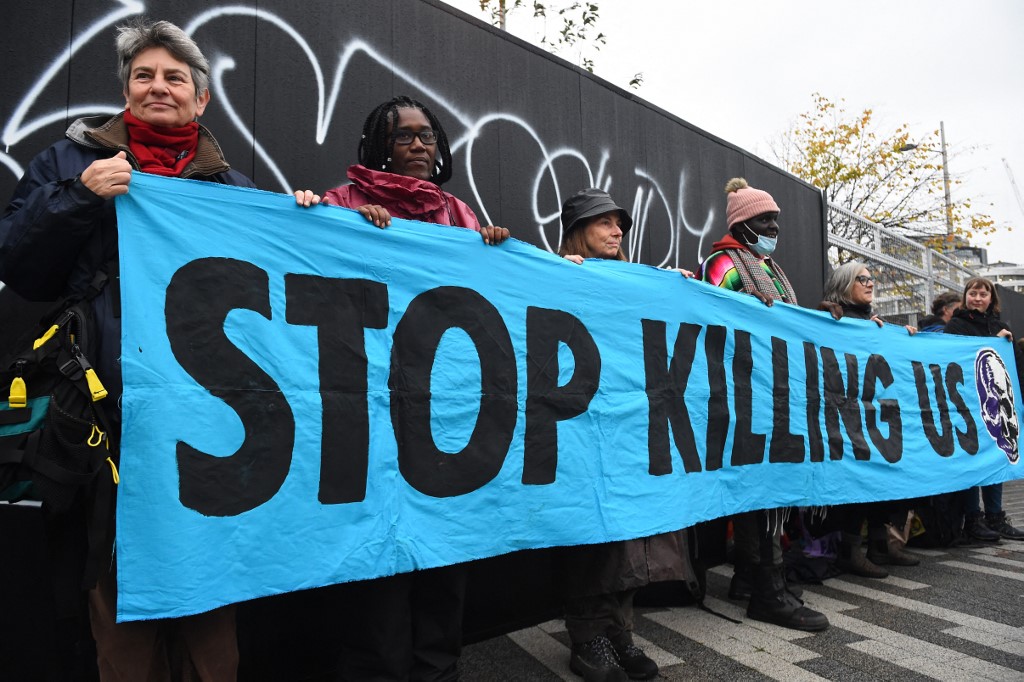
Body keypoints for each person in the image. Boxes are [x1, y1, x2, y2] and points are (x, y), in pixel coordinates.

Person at [0, 19, 254, 681]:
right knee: (120, 621)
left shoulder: (236, 192)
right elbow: (20, 265)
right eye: (144, 75)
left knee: (210, 622)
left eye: (175, 77)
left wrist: (305, 214)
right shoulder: (71, 164)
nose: (158, 87)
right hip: (106, 429)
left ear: (201, 99)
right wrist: (79, 199)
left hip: (207, 432)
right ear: (126, 90)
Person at [296, 95, 508, 682]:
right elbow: (302, 262)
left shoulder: (460, 216)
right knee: (377, 561)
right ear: (377, 147)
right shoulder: (342, 203)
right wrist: (315, 218)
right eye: (403, 136)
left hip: (445, 419)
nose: (419, 146)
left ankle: (438, 670)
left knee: (443, 555)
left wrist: (493, 253)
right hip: (368, 417)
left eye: (427, 136)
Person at [556, 187, 695, 682]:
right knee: (592, 531)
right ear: (577, 230)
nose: (617, 231)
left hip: (633, 428)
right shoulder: (551, 275)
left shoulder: (635, 281)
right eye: (604, 222)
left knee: (634, 531)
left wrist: (673, 289)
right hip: (581, 430)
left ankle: (619, 631)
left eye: (620, 223)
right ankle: (587, 636)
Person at [697, 178, 829, 632]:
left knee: (767, 487)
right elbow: (721, 319)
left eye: (775, 219)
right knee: (764, 487)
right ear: (742, 224)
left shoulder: (767, 265)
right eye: (765, 220)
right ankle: (767, 592)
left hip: (773, 390)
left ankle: (751, 579)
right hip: (744, 392)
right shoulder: (722, 263)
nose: (774, 226)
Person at [818, 262, 920, 576]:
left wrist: (903, 339)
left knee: (881, 477)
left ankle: (879, 544)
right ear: (843, 284)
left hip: (874, 417)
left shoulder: (873, 323)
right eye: (861, 279)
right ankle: (849, 551)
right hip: (844, 418)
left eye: (871, 278)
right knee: (858, 481)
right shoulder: (829, 318)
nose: (870, 283)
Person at [944, 277, 1024, 542]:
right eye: (973, 293)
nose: (978, 298)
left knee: (997, 457)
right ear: (965, 296)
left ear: (991, 299)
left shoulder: (1000, 326)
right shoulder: (956, 325)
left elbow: (1014, 366)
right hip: (969, 405)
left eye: (983, 294)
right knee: (973, 461)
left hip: (998, 405)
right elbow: (958, 358)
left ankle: (995, 517)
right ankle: (973, 518)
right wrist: (994, 340)